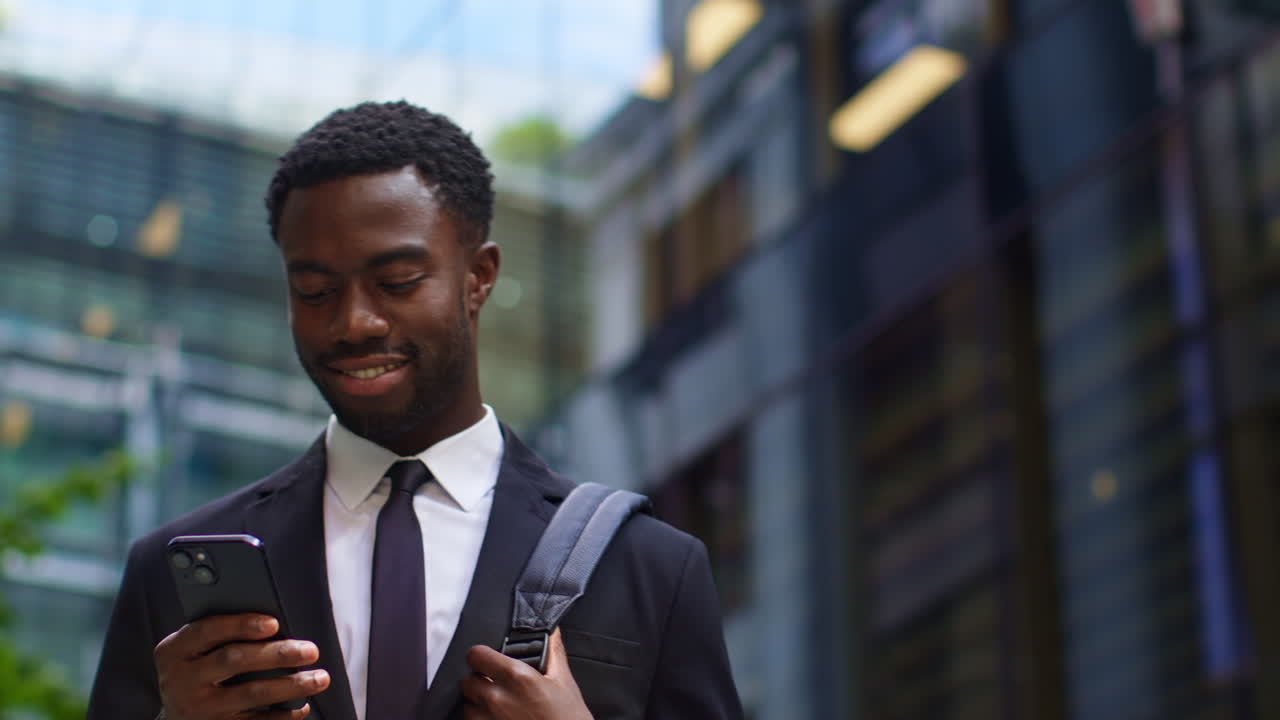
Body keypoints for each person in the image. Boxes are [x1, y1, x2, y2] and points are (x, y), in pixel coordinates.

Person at [85, 101, 743, 720]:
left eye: (397, 283)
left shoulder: (651, 567)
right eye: (313, 291)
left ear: (479, 277)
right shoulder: (164, 572)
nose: (354, 323)